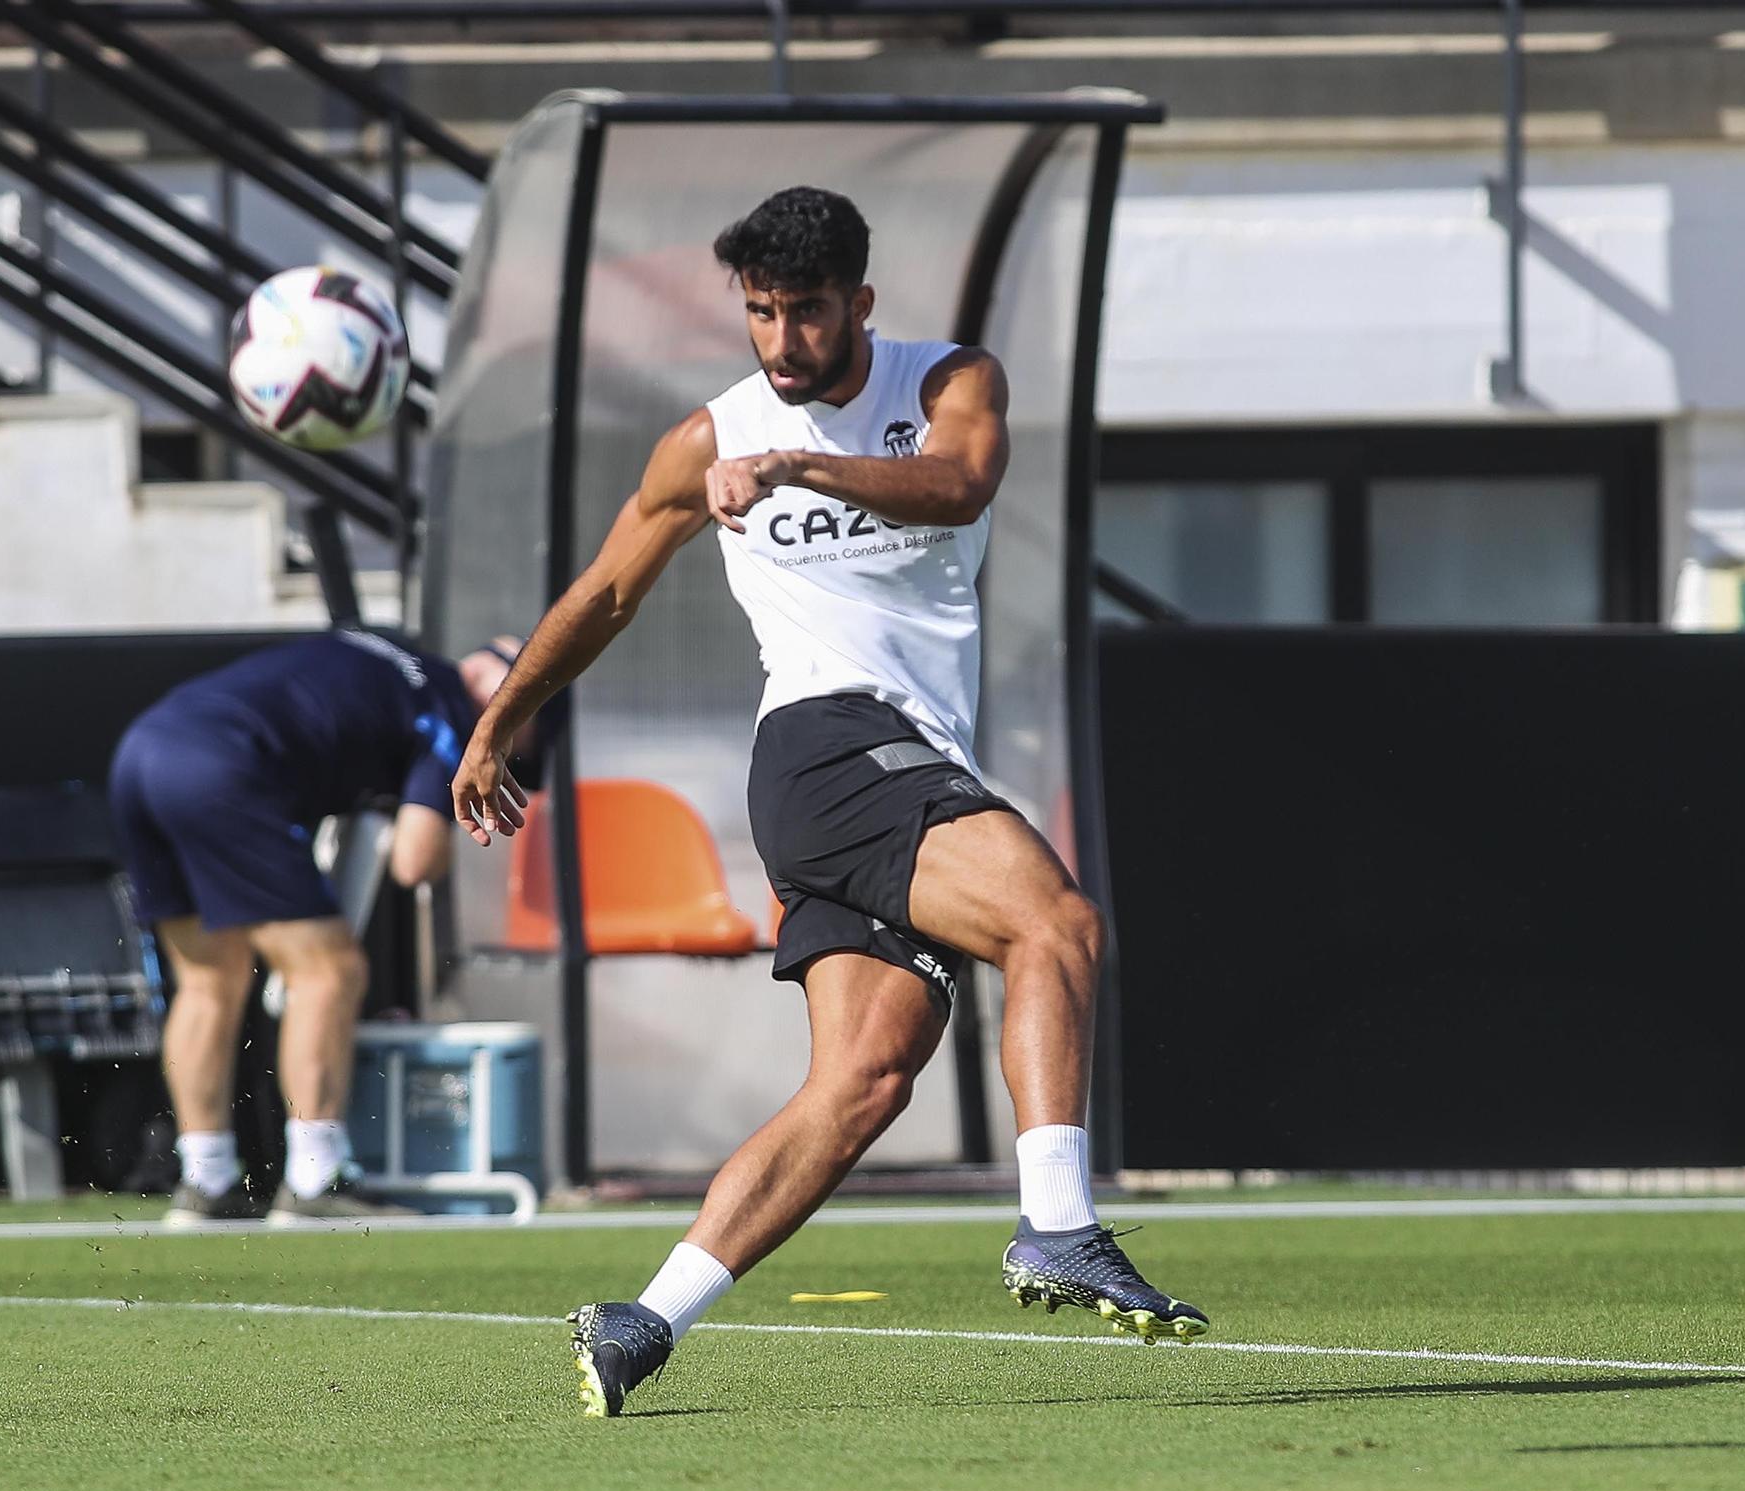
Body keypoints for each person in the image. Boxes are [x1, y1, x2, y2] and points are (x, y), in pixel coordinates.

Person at [452, 186, 1207, 1417]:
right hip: (819, 748)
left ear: (859, 301)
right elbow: (604, 592)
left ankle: (646, 1318)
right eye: (759, 313)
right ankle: (1057, 1225)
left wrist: (802, 465)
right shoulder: (707, 443)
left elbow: (959, 485)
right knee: (1053, 922)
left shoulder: (948, 384)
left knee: (862, 1081)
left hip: (900, 755)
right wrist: (498, 721)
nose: (781, 341)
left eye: (805, 312)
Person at [110, 628, 528, 1226]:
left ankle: (208, 1180)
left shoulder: (381, 649)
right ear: (495, 686)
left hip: (142, 751)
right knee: (329, 971)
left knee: (209, 981)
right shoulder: (448, 707)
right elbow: (416, 860)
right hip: (222, 763)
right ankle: (317, 1180)